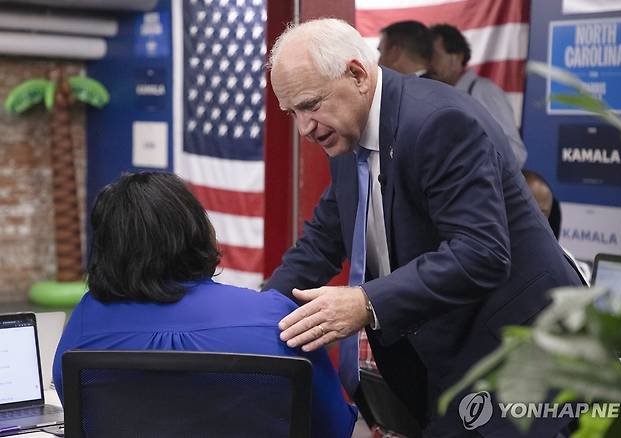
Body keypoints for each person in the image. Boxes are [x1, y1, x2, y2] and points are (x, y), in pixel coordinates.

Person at [264, 18, 582, 436]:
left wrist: (364, 302)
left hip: (517, 364)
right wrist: (255, 313)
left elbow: (481, 253)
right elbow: (322, 242)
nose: (304, 127)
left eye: (310, 105)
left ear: (357, 75)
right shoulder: (347, 133)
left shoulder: (438, 122)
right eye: (292, 113)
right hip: (444, 367)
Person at [52, 172, 356, 438]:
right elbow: (333, 428)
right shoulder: (278, 320)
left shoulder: (83, 326)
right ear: (196, 233)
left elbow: (86, 418)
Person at [428, 23, 528, 167]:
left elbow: (516, 153)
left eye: (434, 56)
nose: (429, 63)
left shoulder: (484, 91)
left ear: (456, 58)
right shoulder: (437, 94)